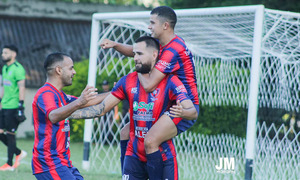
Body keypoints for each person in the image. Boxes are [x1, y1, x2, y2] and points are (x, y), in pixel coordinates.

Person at [71, 36, 198, 179]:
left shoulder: (171, 81)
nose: (135, 58)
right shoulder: (127, 81)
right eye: (134, 53)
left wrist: (183, 112)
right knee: (124, 132)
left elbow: (193, 112)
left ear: (155, 55)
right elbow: (101, 109)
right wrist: (70, 114)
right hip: (134, 155)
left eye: (140, 54)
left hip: (163, 157)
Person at [100, 5, 199, 176]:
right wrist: (115, 45)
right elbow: (137, 52)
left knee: (151, 140)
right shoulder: (163, 45)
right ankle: (129, 174)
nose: (149, 26)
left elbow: (149, 84)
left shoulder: (173, 49)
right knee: (126, 132)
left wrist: (131, 76)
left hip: (183, 107)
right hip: (166, 101)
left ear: (165, 25)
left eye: (152, 22)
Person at [31, 52, 107, 179]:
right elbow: (53, 116)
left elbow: (89, 102)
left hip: (62, 162)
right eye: (71, 68)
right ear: (59, 70)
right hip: (49, 163)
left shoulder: (60, 95)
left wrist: (118, 91)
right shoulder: (45, 93)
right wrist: (79, 102)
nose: (74, 72)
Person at [0, 45, 27, 171]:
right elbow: (4, 87)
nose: (3, 55)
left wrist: (20, 106)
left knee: (10, 134)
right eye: (2, 53)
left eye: (6, 53)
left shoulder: (18, 69)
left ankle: (9, 165)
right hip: (4, 105)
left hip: (14, 107)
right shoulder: (5, 68)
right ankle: (18, 152)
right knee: (0, 133)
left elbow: (22, 87)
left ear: (13, 54)